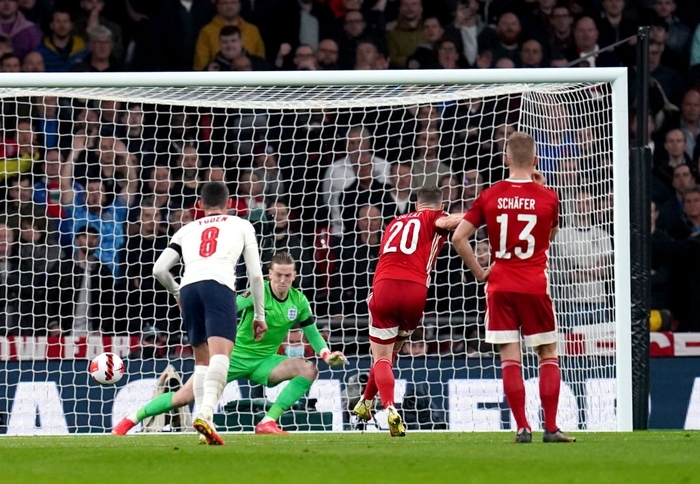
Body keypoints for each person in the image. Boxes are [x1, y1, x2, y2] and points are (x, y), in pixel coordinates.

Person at [113, 251, 346, 437]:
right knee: (184, 396)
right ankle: (130, 419)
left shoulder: (299, 300)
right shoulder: (257, 293)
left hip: (265, 361)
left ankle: (268, 421)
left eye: (287, 276)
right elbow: (226, 308)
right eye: (278, 275)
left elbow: (312, 332)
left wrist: (326, 354)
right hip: (232, 357)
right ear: (269, 274)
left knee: (308, 369)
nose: (282, 281)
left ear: (295, 276)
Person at [451, 131, 575, 443]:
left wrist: (481, 272)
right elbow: (551, 235)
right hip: (534, 283)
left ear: (505, 159)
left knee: (510, 356)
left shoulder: (490, 195)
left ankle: (521, 427)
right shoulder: (549, 197)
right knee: (547, 353)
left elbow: (458, 238)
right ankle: (551, 428)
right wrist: (541, 189)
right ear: (535, 160)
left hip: (500, 284)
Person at [151, 181, 266, 446]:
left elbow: (158, 270)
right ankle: (204, 413)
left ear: (200, 205)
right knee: (221, 356)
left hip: (190, 287)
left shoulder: (186, 229)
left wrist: (178, 293)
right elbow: (256, 275)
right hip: (219, 286)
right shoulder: (241, 224)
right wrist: (260, 315)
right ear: (229, 204)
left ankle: (205, 427)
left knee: (202, 361)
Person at [351, 186, 464, 437]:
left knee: (381, 356)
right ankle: (365, 404)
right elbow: (453, 221)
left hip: (385, 287)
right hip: (415, 292)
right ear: (440, 204)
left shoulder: (394, 223)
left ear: (416, 205)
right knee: (391, 355)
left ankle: (389, 407)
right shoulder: (435, 218)